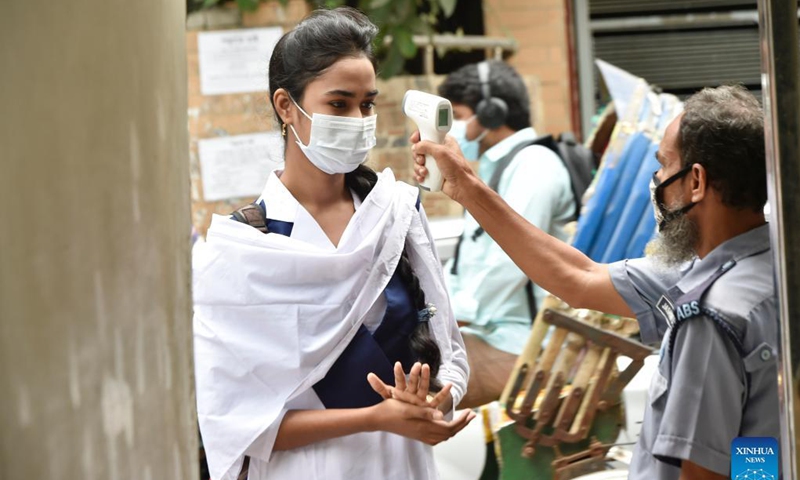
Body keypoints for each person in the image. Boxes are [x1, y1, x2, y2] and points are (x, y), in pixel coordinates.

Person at [412, 85, 777, 480]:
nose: (656, 180)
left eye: (665, 166)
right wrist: (465, 185)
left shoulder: (708, 316)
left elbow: (705, 472)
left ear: (697, 182)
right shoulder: (760, 268)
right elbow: (578, 278)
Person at [193, 8, 473, 480]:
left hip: (403, 465)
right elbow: (231, 426)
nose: (359, 118)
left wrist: (435, 398)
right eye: (339, 104)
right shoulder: (239, 251)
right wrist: (372, 417)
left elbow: (451, 351)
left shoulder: (398, 215)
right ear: (287, 107)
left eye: (367, 104)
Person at [437, 60, 576, 408]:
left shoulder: (535, 166)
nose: (451, 128)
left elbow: (510, 264)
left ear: (492, 113)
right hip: (490, 334)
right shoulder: (504, 168)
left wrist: (451, 318)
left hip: (522, 342)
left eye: (459, 114)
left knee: (410, 385)